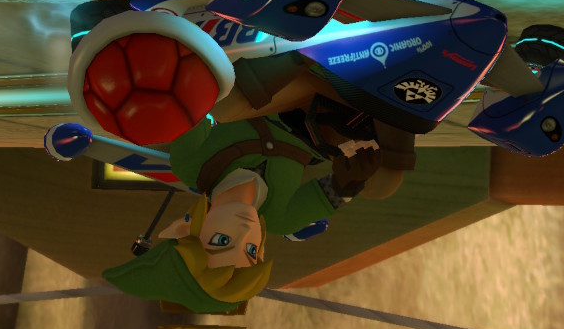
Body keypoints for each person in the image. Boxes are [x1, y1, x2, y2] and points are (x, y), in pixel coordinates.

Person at [102, 114, 380, 313]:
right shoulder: (282, 219)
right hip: (321, 125)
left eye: (222, 241)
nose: (246, 232)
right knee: (386, 182)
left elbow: (199, 102)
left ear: (184, 227)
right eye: (251, 250)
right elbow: (338, 190)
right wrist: (354, 178)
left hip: (262, 80)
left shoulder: (190, 164)